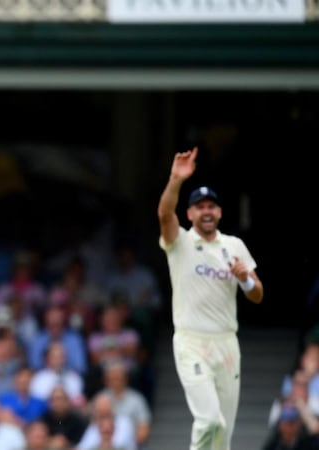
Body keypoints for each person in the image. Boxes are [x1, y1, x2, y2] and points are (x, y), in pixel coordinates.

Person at [157, 146, 264, 450]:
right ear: (190, 213)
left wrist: (244, 279)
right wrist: (176, 180)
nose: (206, 211)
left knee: (224, 435)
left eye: (211, 207)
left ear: (219, 212)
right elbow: (165, 213)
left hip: (227, 344)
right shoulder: (180, 242)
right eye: (199, 207)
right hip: (192, 342)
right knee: (209, 421)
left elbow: (257, 294)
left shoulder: (234, 245)